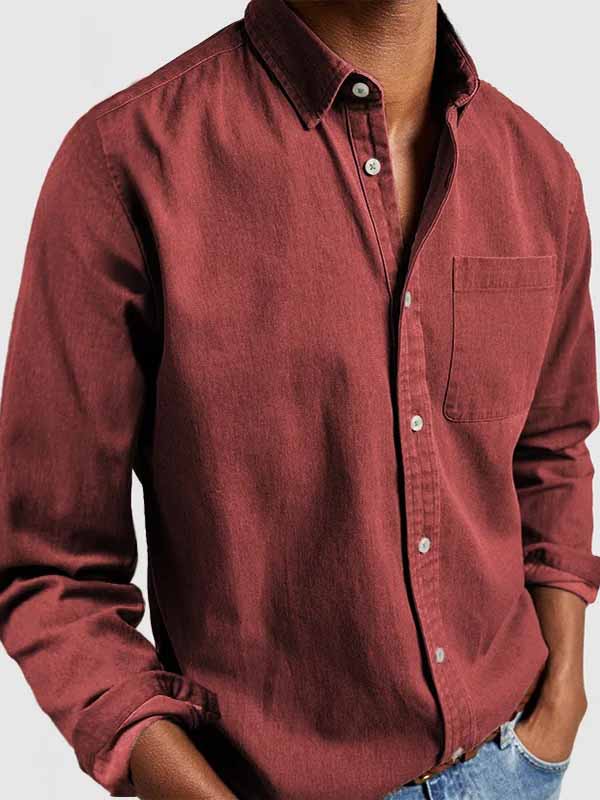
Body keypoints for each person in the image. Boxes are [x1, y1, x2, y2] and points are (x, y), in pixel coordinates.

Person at [0, 0, 598, 798]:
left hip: (517, 765)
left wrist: (562, 701)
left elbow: (551, 449)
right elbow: (51, 567)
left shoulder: (540, 172)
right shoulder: (125, 164)